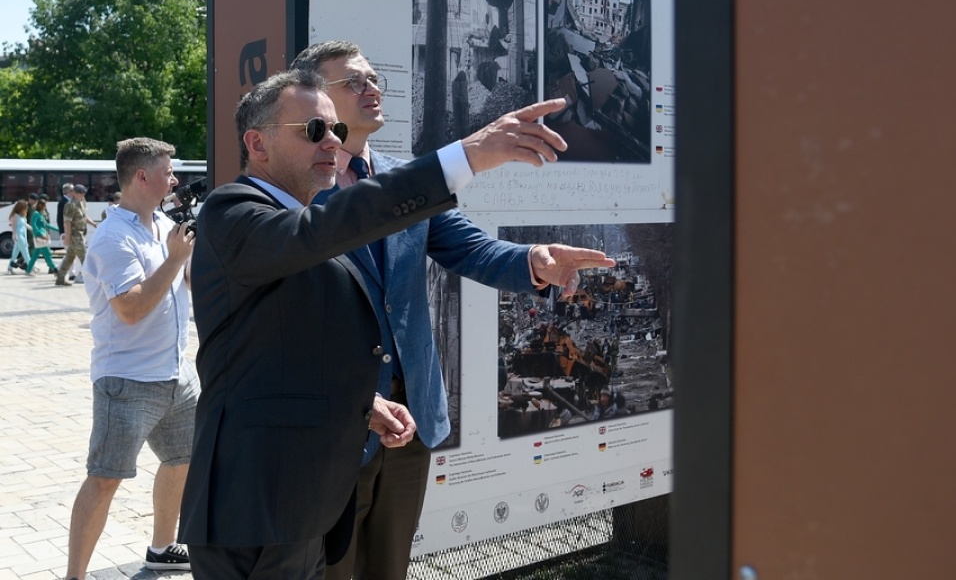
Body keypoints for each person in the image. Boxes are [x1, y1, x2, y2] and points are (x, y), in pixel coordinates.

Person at [178, 68, 588, 580]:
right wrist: (465, 157)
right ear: (257, 144)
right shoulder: (233, 212)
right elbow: (321, 233)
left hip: (305, 492)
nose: (332, 142)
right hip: (257, 503)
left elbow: (279, 347)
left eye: (336, 130)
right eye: (314, 130)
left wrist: (361, 402)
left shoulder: (306, 220)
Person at [290, 40, 616, 580]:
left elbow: (470, 248)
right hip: (335, 422)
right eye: (353, 81)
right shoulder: (294, 191)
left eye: (374, 78)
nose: (371, 88)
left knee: (389, 568)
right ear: (314, 98)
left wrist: (534, 260)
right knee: (327, 571)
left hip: (410, 417)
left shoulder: (402, 179)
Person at [64, 137, 199, 580]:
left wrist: (194, 262)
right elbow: (131, 308)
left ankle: (161, 548)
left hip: (177, 374)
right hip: (127, 382)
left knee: (182, 459)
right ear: (142, 176)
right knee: (106, 478)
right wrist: (176, 260)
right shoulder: (112, 237)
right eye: (168, 171)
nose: (174, 180)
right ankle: (75, 576)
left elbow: (185, 285)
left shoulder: (165, 224)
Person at [55, 184, 97, 286]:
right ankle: (89, 279)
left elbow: (84, 217)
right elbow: (67, 222)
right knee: (84, 256)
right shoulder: (70, 205)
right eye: (80, 193)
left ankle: (60, 278)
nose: (83, 195)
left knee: (69, 258)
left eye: (84, 193)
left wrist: (93, 224)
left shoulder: (81, 203)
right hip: (75, 235)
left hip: (81, 234)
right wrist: (67, 237)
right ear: (74, 193)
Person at [27, 198, 59, 275]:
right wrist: (39, 234)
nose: (45, 207)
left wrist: (58, 229)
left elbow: (46, 225)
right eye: (45, 205)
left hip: (43, 235)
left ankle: (28, 270)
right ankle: (54, 269)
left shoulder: (40, 214)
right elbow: (33, 224)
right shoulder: (36, 214)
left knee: (35, 255)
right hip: (41, 237)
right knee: (47, 253)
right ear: (41, 205)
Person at [6, 200, 32, 275]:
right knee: (25, 251)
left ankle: (10, 267)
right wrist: (14, 234)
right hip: (18, 235)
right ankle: (31, 268)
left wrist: (32, 228)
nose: (27, 208)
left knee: (15, 253)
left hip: (23, 234)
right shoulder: (15, 215)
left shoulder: (22, 216)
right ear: (21, 207)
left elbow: (25, 224)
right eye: (25, 207)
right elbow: (13, 226)